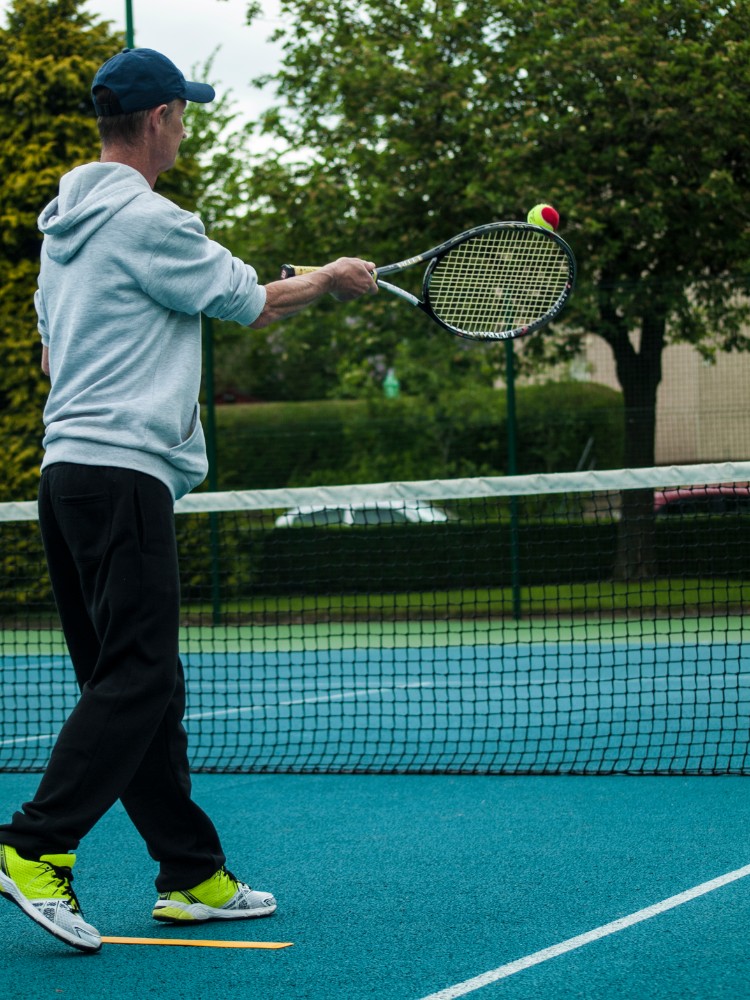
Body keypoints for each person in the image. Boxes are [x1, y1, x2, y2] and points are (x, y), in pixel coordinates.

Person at [0, 47, 376, 954]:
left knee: (136, 685)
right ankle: (34, 847)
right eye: (184, 114)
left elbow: (57, 361)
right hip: (125, 476)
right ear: (162, 118)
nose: (186, 127)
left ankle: (192, 874)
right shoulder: (150, 221)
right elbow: (254, 302)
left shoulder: (64, 235)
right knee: (141, 677)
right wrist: (327, 277)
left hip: (68, 478)